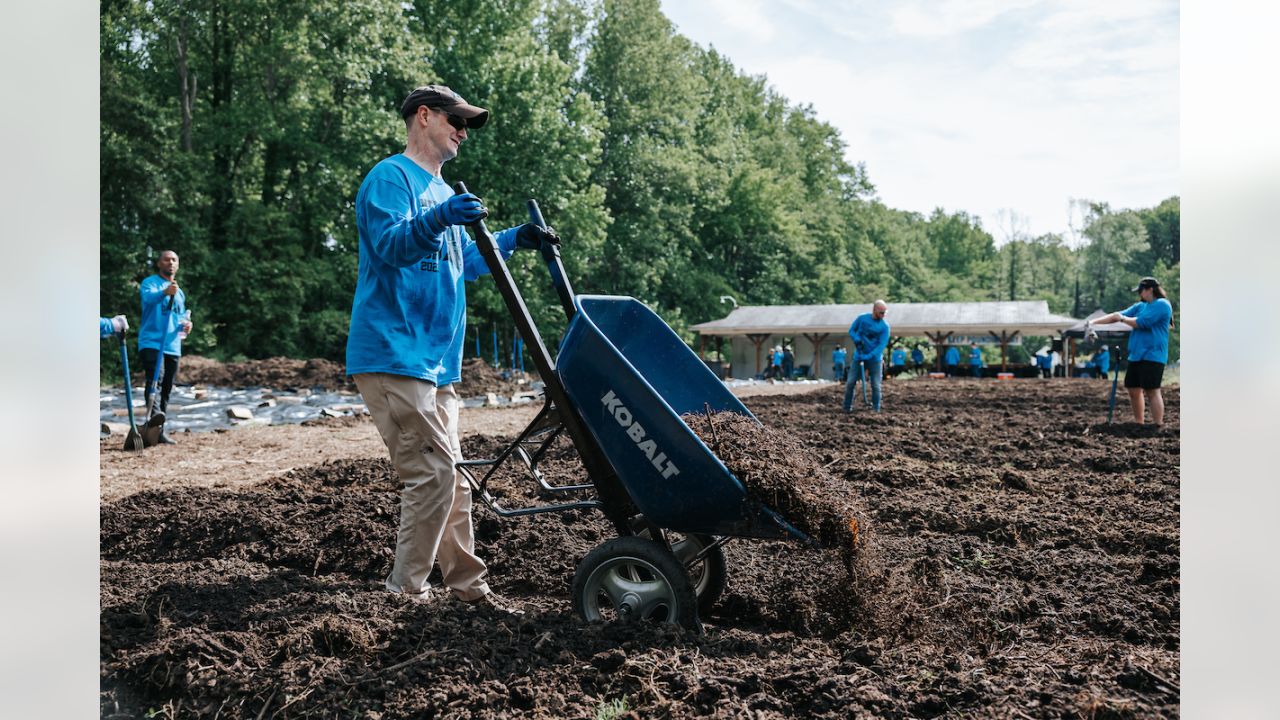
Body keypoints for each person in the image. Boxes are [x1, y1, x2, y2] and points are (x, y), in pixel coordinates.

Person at [345, 83, 557, 610]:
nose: (463, 131)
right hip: (394, 354)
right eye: (455, 120)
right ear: (424, 116)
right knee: (434, 476)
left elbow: (466, 263)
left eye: (466, 124)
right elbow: (392, 246)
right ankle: (404, 594)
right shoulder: (390, 178)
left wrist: (512, 240)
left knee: (454, 481)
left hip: (437, 364)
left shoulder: (441, 191)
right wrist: (438, 218)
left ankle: (467, 588)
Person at [1088, 276, 1174, 427]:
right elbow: (1117, 315)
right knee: (1133, 389)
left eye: (1141, 290)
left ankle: (1157, 425)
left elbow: (1141, 323)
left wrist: (1122, 319)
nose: (1139, 294)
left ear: (1150, 290)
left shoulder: (1162, 304)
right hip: (1137, 354)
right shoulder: (1141, 306)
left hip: (1153, 354)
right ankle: (1139, 423)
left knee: (1152, 390)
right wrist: (1092, 323)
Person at [138, 250, 194, 444]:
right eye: (166, 259)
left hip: (172, 345)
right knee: (156, 380)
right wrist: (163, 293)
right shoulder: (150, 283)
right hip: (153, 342)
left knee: (168, 387)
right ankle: (152, 423)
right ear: (159, 263)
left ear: (177, 265)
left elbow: (179, 318)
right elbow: (148, 299)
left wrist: (187, 325)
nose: (170, 263)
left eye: (174, 260)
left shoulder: (179, 292)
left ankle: (159, 431)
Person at [843, 300, 890, 412]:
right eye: (881, 313)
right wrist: (857, 339)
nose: (883, 315)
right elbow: (852, 330)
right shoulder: (862, 318)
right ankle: (847, 407)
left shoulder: (885, 327)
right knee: (850, 382)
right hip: (858, 357)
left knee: (875, 385)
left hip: (875, 360)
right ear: (874, 310)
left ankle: (876, 409)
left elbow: (881, 346)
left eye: (885, 313)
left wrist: (868, 356)